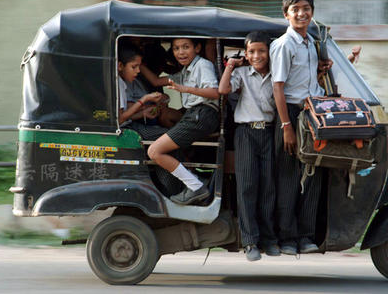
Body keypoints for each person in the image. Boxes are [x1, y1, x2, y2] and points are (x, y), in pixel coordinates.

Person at [270, 0, 332, 255]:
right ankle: (286, 238)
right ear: (286, 14)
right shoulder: (284, 44)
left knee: (315, 175)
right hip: (291, 116)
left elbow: (307, 81)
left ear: (312, 12)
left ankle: (306, 237)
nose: (302, 13)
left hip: (313, 115)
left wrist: (321, 71)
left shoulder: (311, 43)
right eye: (296, 9)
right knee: (288, 178)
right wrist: (286, 127)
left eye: (306, 8)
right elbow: (278, 88)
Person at [219, 31, 279, 262]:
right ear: (246, 53)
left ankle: (269, 239)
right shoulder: (242, 74)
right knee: (247, 186)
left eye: (261, 51)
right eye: (251, 51)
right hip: (245, 133)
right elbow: (223, 90)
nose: (256, 55)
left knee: (268, 187)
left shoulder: (277, 74)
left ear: (269, 52)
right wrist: (230, 66)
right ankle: (250, 241)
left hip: (269, 132)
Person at [147, 38, 220, 205]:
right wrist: (139, 61)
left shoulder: (203, 65)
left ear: (197, 48)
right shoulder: (185, 71)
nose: (181, 52)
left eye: (186, 47)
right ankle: (195, 180)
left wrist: (184, 89)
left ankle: (196, 186)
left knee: (154, 151)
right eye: (176, 48)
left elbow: (215, 92)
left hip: (203, 114)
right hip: (193, 114)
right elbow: (156, 82)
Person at [117, 44, 163, 127]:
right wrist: (144, 99)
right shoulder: (118, 83)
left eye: (139, 66)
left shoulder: (122, 82)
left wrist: (143, 113)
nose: (138, 71)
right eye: (134, 67)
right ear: (120, 66)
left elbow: (124, 118)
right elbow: (120, 120)